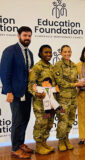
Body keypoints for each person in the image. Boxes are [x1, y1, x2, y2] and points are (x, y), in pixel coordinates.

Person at [0, 26, 34, 159]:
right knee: (17, 120)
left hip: (27, 93)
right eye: (25, 35)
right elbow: (4, 72)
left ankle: (21, 144)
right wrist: (8, 91)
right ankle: (14, 148)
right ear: (19, 36)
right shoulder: (10, 51)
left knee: (25, 119)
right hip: (15, 92)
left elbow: (29, 72)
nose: (27, 38)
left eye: (29, 36)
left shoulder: (29, 53)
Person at [28, 45, 57, 155]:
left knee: (49, 123)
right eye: (46, 52)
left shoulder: (51, 67)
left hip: (51, 102)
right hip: (40, 103)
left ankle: (44, 143)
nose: (48, 54)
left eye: (50, 52)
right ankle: (39, 146)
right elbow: (31, 85)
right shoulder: (37, 67)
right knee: (41, 123)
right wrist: (36, 93)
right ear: (40, 54)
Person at [54, 45, 81, 151]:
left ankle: (66, 139)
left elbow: (76, 79)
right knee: (62, 120)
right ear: (61, 53)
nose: (67, 53)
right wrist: (74, 85)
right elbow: (59, 81)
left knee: (70, 120)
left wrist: (79, 83)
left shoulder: (74, 65)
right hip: (62, 98)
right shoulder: (58, 65)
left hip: (73, 98)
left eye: (69, 51)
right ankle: (61, 140)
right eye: (65, 52)